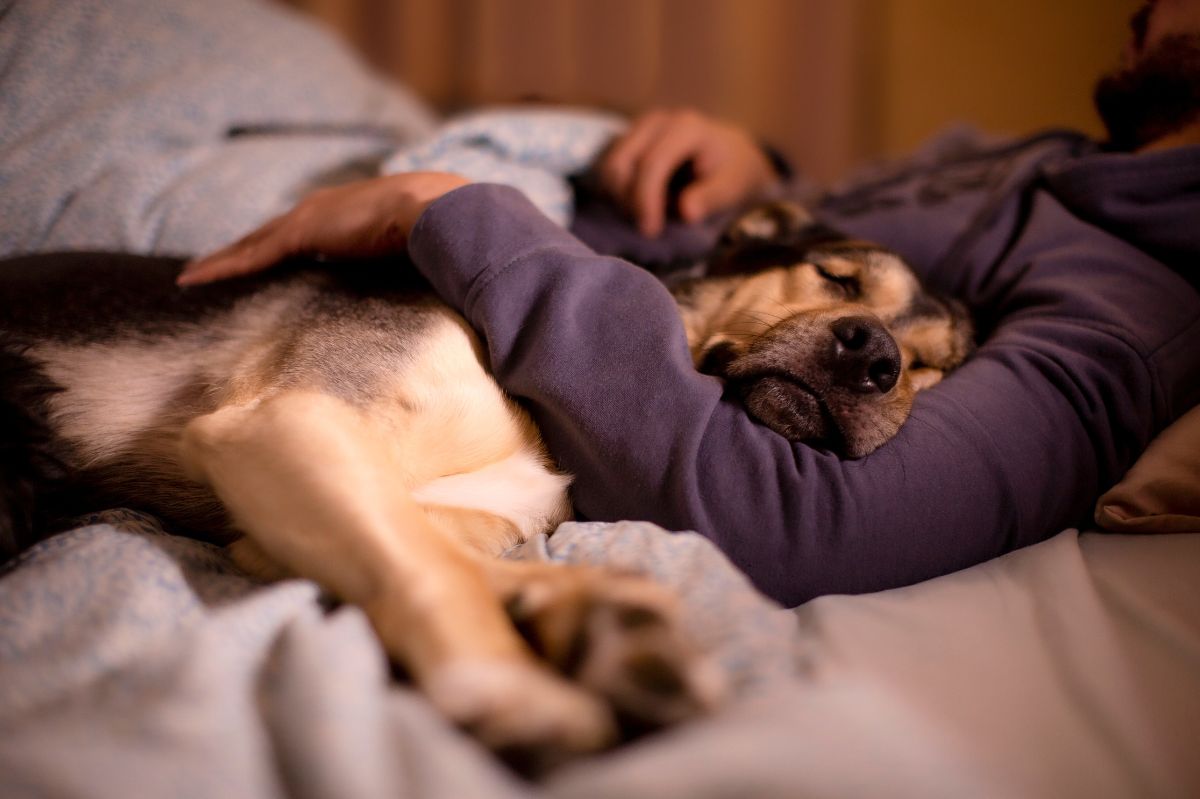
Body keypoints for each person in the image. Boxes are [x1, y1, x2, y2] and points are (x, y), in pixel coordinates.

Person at [179, 1, 1200, 607]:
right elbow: (794, 248)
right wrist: (757, 174)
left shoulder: (1140, 307)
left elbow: (802, 522)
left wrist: (458, 215)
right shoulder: (1041, 156)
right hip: (495, 223)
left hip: (434, 266)